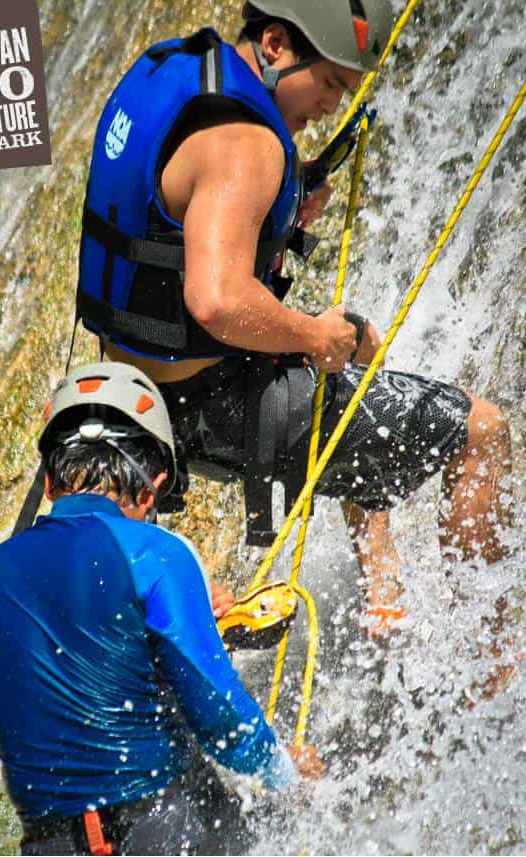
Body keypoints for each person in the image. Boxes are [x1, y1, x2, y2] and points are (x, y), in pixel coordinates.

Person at [76, 0, 513, 634]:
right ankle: (488, 661)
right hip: (210, 406)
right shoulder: (247, 143)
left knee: (360, 355)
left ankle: (381, 579)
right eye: (333, 81)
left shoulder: (179, 70)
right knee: (481, 430)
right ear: (278, 44)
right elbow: (218, 300)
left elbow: (176, 205)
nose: (334, 103)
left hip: (128, 390)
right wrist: (314, 336)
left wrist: (284, 194)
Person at [0, 362, 322, 857]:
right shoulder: (153, 552)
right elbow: (221, 719)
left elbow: (76, 687)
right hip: (160, 830)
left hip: (47, 843)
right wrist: (285, 773)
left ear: (49, 483)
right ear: (152, 481)